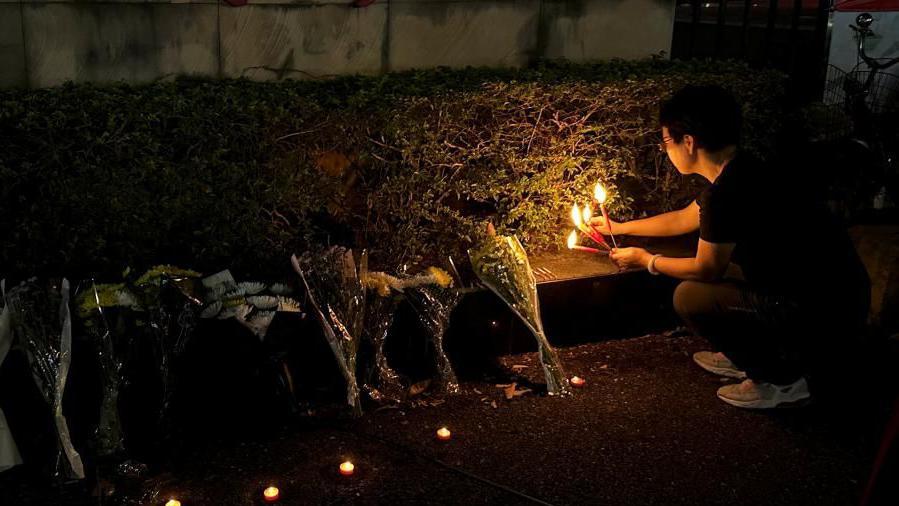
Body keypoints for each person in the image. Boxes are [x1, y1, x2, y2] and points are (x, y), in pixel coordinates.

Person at [593, 85, 870, 409]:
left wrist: (647, 260)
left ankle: (781, 380)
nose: (664, 150)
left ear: (689, 142)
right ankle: (747, 352)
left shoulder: (726, 193)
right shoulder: (745, 167)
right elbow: (683, 219)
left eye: (666, 141)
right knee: (700, 264)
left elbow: (707, 269)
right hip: (841, 293)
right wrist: (620, 228)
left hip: (821, 309)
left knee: (691, 296)